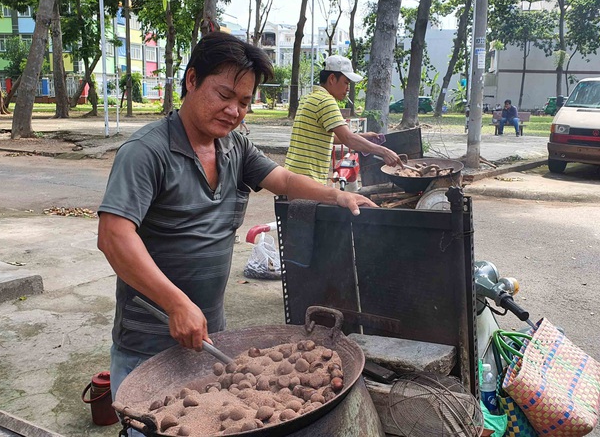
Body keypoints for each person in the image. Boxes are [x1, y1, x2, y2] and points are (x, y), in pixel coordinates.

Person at [96, 32, 377, 404]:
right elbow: (114, 236)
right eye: (225, 96)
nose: (234, 111)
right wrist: (177, 304)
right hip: (148, 345)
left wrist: (337, 195)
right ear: (192, 80)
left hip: (211, 339)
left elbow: (283, 179)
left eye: (244, 102)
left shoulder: (234, 146)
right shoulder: (146, 152)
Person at [284, 54, 403, 183]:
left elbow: (328, 137)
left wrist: (364, 136)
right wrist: (384, 151)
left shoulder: (309, 98)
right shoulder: (326, 101)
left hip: (293, 174)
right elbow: (348, 139)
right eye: (346, 82)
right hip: (307, 179)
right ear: (332, 79)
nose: (347, 88)